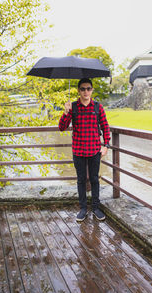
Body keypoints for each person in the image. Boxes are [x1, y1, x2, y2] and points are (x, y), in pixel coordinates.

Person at [58, 78, 110, 222]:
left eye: (88, 88)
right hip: (78, 150)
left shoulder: (98, 107)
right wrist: (66, 112)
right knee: (81, 180)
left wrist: (106, 145)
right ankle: (82, 209)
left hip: (94, 150)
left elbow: (105, 127)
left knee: (94, 179)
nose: (85, 91)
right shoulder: (73, 107)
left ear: (92, 90)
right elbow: (62, 127)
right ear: (78, 91)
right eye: (82, 89)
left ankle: (95, 208)